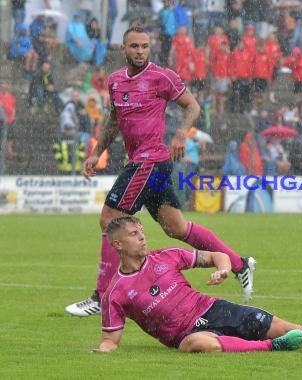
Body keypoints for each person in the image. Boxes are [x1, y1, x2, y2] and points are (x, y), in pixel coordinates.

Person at [65, 26, 256, 317]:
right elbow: (114, 120)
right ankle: (240, 264)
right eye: (134, 46)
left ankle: (102, 297)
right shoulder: (116, 81)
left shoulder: (162, 76)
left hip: (150, 160)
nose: (140, 51)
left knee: (109, 218)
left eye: (144, 46)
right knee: (176, 227)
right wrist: (96, 152)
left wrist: (181, 132)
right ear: (124, 49)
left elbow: (191, 106)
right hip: (146, 162)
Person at [93, 216, 302, 353]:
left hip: (213, 309)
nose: (142, 236)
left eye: (142, 230)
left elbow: (217, 256)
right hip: (184, 335)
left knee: (291, 328)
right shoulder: (115, 292)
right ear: (118, 244)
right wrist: (103, 350)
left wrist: (223, 270)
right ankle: (270, 348)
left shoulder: (167, 256)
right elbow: (111, 340)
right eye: (134, 234)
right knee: (198, 344)